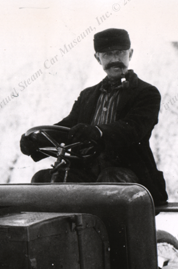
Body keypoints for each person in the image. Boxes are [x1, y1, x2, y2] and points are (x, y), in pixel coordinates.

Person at [20, 28, 168, 204]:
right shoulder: (87, 96)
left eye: (120, 53)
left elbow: (133, 128)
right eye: (107, 55)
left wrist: (98, 132)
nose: (115, 60)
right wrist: (38, 140)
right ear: (97, 58)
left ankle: (114, 232)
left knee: (111, 180)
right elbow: (70, 127)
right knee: (44, 179)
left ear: (131, 54)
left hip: (128, 172)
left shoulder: (146, 93)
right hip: (85, 169)